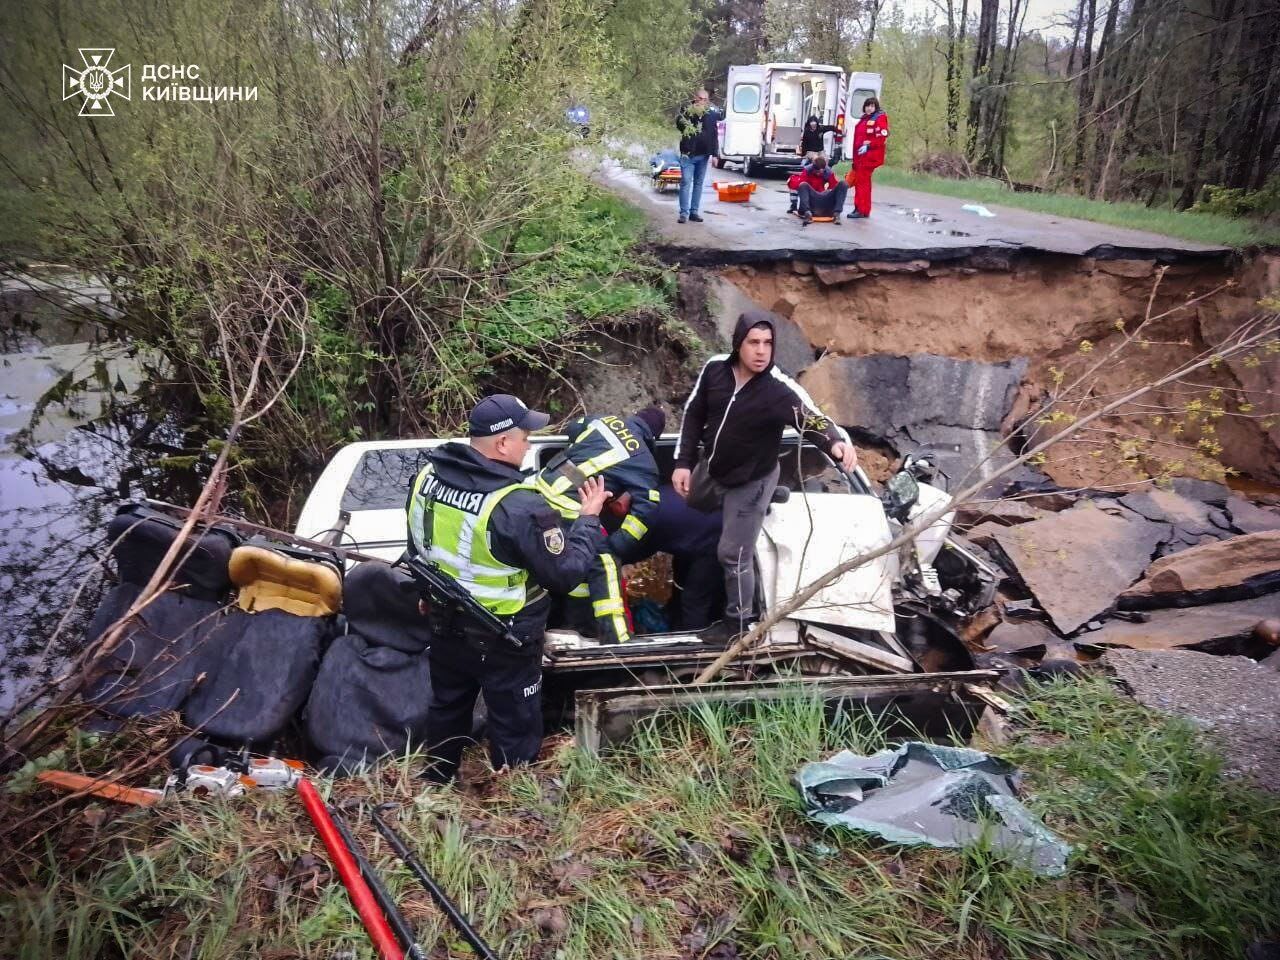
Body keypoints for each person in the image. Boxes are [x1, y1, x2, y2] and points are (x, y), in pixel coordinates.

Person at [405, 394, 609, 782]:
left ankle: (437, 781)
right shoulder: (518, 506)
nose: (529, 445)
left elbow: (418, 544)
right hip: (504, 636)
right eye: (524, 436)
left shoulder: (424, 481)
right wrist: (588, 519)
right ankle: (513, 798)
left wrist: (423, 595)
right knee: (514, 719)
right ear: (502, 444)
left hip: (445, 624)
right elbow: (565, 574)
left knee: (447, 705)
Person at [672, 311, 859, 642]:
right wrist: (683, 462)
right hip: (714, 468)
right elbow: (694, 412)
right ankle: (733, 520)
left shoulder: (777, 391)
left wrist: (835, 442)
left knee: (733, 553)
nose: (761, 351)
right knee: (689, 503)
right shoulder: (716, 369)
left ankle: (741, 625)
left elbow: (811, 420)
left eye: (768, 343)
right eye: (753, 343)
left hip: (752, 481)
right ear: (738, 344)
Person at [532, 405, 665, 644]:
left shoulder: (604, 421)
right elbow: (645, 514)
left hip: (540, 490)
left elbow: (574, 429)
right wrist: (616, 545)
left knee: (576, 567)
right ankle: (618, 639)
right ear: (653, 437)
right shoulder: (645, 463)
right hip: (567, 507)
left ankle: (577, 626)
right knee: (604, 563)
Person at [675, 88, 720, 225]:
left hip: (704, 154)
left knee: (698, 184)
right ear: (695, 98)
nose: (703, 102)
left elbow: (714, 134)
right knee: (686, 182)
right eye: (700, 99)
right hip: (688, 155)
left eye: (705, 100)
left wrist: (715, 154)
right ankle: (683, 213)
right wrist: (691, 112)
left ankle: (694, 212)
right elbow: (680, 124)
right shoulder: (686, 112)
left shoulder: (711, 114)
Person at [845, 96, 890, 220]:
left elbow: (881, 138)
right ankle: (863, 209)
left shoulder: (879, 118)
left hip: (869, 157)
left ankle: (860, 209)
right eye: (867, 106)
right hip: (860, 157)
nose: (869, 108)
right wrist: (855, 159)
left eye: (872, 106)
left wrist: (869, 146)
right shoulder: (864, 118)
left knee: (862, 184)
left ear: (876, 107)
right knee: (863, 183)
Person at [789, 155, 849, 224]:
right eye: (817, 172)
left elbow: (833, 187)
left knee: (843, 184)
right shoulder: (807, 171)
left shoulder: (828, 172)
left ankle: (837, 213)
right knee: (802, 184)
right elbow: (800, 188)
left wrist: (828, 191)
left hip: (825, 201)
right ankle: (807, 213)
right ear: (813, 168)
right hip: (812, 202)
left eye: (821, 172)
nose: (818, 174)